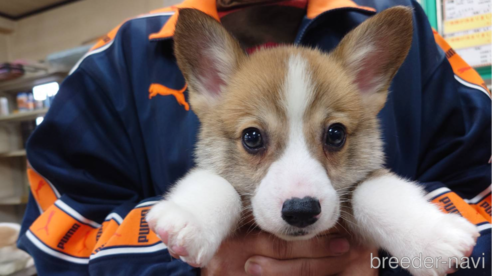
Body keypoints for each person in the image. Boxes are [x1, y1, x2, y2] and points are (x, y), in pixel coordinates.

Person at [17, 0, 492, 275]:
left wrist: (383, 262)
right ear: (208, 84)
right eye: (254, 139)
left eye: (332, 136)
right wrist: (192, 264)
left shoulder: (402, 19)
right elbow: (55, 243)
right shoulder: (116, 59)